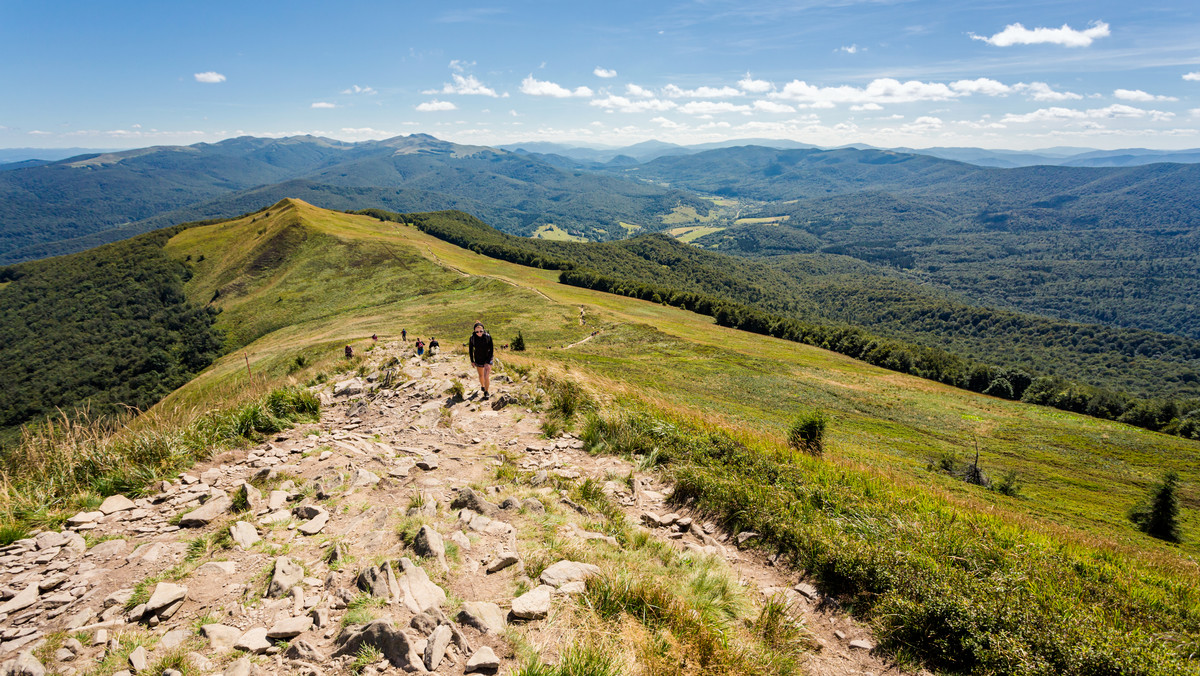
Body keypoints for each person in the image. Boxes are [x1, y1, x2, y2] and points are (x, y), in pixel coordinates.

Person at [468, 321, 494, 398]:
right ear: (474, 331)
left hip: (487, 358)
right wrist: (472, 361)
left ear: (483, 330)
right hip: (478, 358)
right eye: (477, 331)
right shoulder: (472, 338)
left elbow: (491, 349)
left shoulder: (488, 337)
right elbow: (470, 350)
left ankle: (486, 392)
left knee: (486, 376)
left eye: (481, 331)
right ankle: (482, 386)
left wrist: (488, 361)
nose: (479, 333)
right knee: (481, 375)